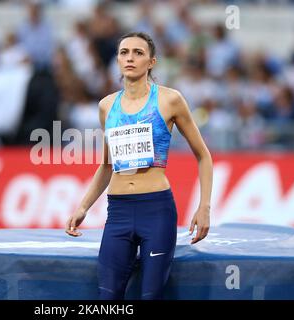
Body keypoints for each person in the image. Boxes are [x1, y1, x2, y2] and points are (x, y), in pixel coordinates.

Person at [65, 32, 213, 300]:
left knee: (150, 296)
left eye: (138, 52)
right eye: (124, 52)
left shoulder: (169, 100)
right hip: (118, 212)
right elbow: (107, 165)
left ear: (151, 61)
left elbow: (203, 155)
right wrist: (83, 207)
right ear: (117, 60)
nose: (130, 58)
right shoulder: (106, 105)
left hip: (156, 210)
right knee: (107, 297)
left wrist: (204, 207)